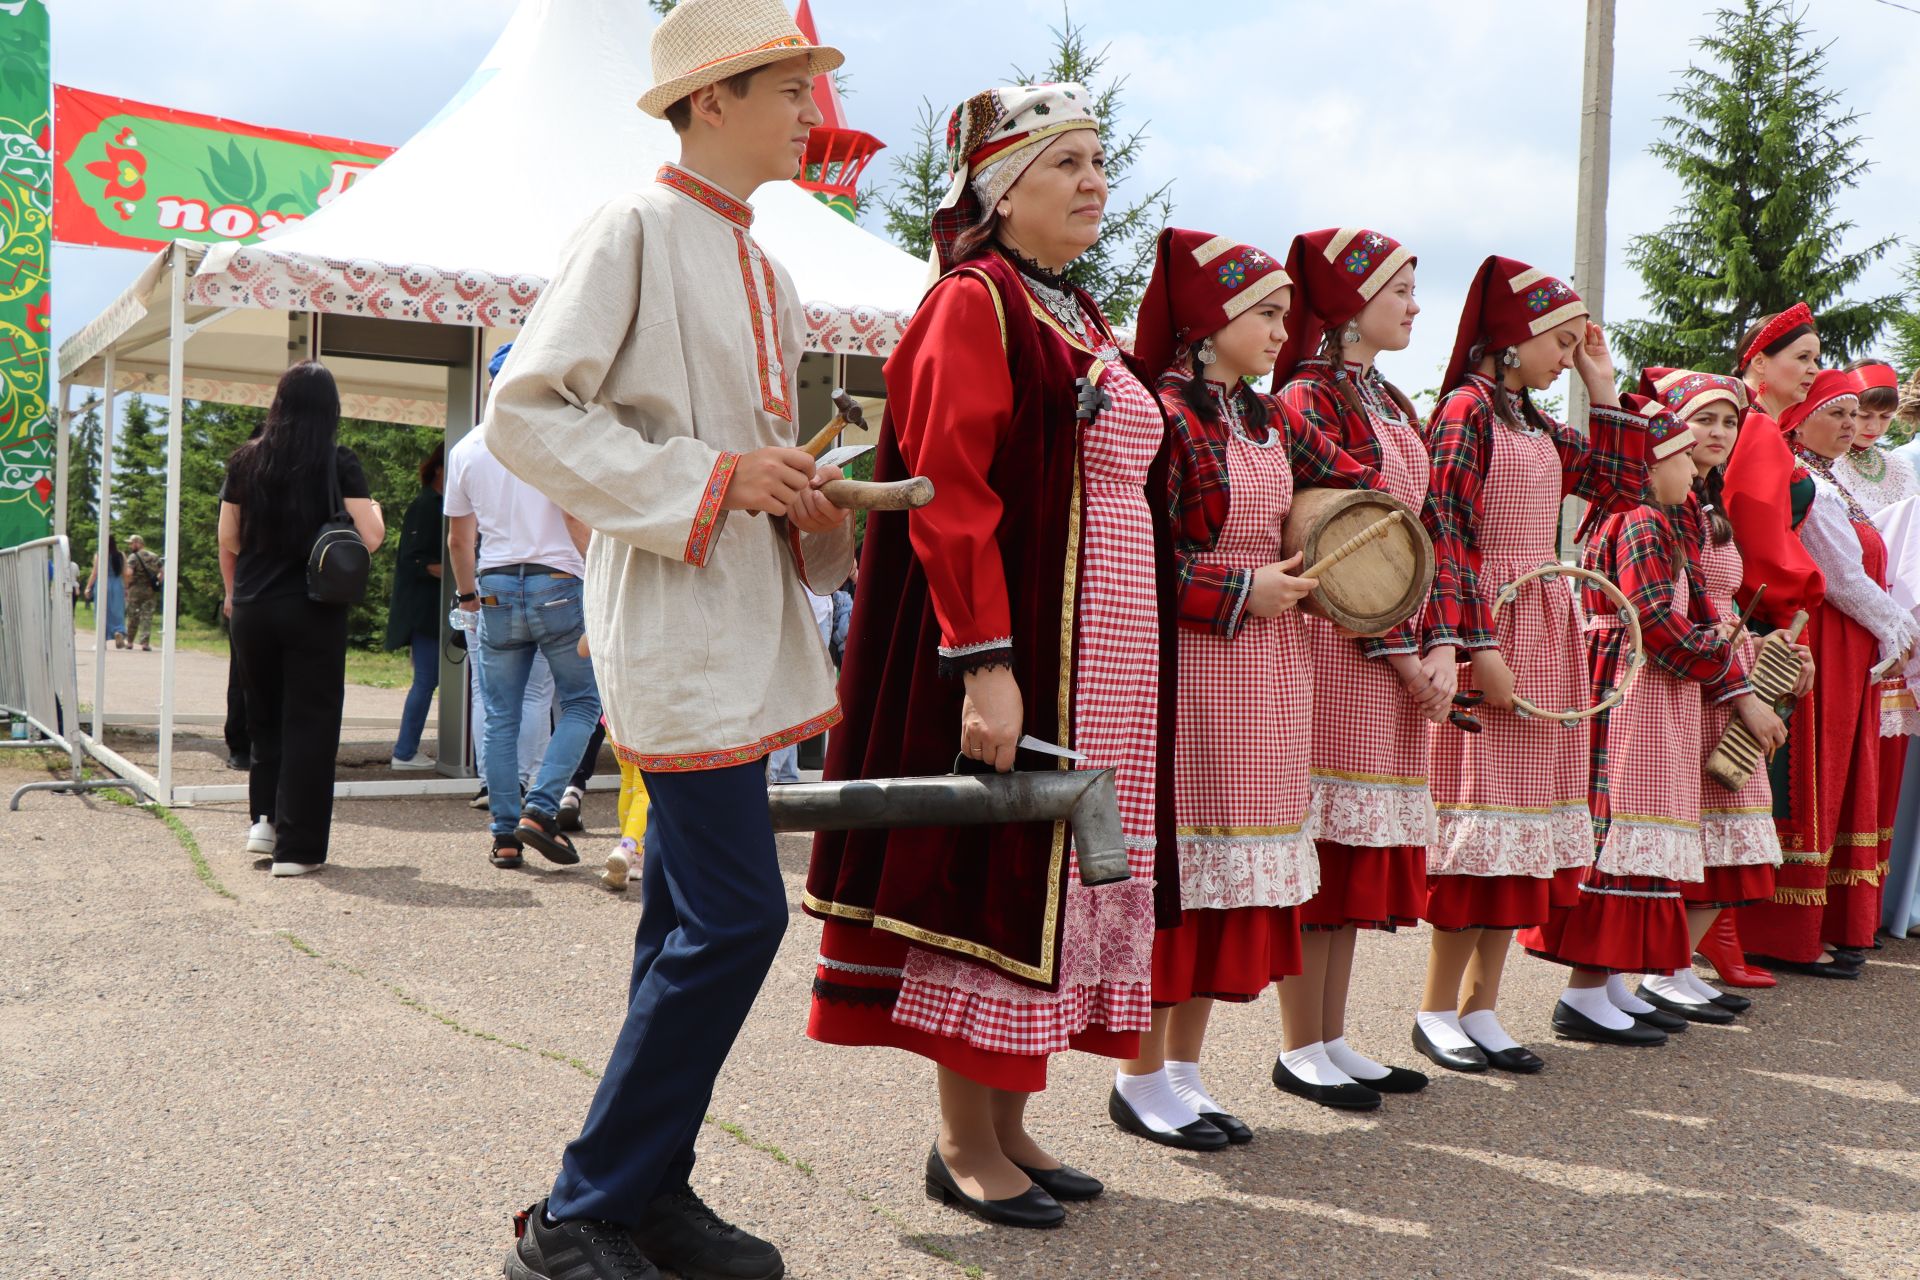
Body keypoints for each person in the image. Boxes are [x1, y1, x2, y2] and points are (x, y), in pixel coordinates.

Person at [487, 4, 853, 1276]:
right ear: (711, 99)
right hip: (672, 621)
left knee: (685, 922)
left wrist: (807, 492)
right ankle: (580, 1210)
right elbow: (524, 413)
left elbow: (745, 465)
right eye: (793, 88)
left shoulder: (774, 272)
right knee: (740, 920)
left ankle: (650, 1190)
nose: (815, 113)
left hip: (744, 622)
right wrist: (713, 480)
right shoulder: (632, 225)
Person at [804, 82, 1176, 1228]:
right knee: (1001, 869)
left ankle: (1010, 1123)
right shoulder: (974, 302)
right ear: (1000, 186)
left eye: (1099, 161)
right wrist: (987, 660)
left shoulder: (1075, 310)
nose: (1094, 182)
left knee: (1060, 882)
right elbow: (949, 492)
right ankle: (962, 1141)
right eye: (1066, 162)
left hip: (1105, 649)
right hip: (1029, 645)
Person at [1117, 226, 1380, 1140]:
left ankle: (1183, 1067)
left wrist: (1328, 546)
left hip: (1267, 668)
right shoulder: (1161, 413)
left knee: (1233, 879)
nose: (1283, 328)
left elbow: (1367, 481)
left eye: (1285, 312)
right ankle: (1140, 1073)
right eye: (1264, 314)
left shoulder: (1267, 418)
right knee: (1185, 874)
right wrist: (1242, 585)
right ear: (1207, 319)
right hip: (1195, 665)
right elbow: (1137, 559)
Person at [1414, 255, 1647, 1075]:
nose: (1567, 351)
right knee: (1481, 824)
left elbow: (1622, 482)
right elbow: (1443, 529)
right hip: (1494, 622)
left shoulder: (1534, 423)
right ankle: (1437, 1007)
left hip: (1544, 627)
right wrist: (1482, 647)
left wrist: (1605, 385)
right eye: (1557, 337)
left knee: (1521, 831)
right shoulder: (1464, 412)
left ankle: (1484, 1006)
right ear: (1510, 337)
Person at [1519, 398, 1782, 1042]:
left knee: (1648, 828)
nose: (1693, 472)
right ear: (1654, 461)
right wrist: (1722, 656)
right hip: (1636, 687)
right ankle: (1584, 993)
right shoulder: (1643, 520)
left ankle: (1608, 983)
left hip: (1656, 691)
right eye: (1681, 459)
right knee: (1625, 826)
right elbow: (1655, 623)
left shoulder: (1661, 518)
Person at [1275, 227, 1446, 1106]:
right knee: (1324, 848)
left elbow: (1429, 533)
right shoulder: (1311, 399)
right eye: (1399, 289)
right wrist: (1405, 652)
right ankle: (1302, 1043)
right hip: (1338, 648)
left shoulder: (1390, 403)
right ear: (1349, 301)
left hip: (1391, 651)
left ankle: (1332, 1037)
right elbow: (1346, 545)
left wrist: (1442, 643)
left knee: (1353, 853)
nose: (1416, 305)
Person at [1746, 370, 1918, 974]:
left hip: (1851, 645)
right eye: (1837, 413)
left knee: (1841, 775)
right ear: (1804, 415)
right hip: (1824, 638)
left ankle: (1833, 920)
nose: (1850, 426)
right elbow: (1842, 577)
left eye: (1856, 416)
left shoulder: (1829, 480)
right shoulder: (1808, 483)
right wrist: (1901, 629)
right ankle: (1786, 930)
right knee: (1810, 780)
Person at [1650, 368, 1804, 989]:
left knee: (1728, 829)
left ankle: (1677, 966)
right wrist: (1737, 683)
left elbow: (1715, 604)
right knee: (1680, 829)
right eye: (1702, 419)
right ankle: (1659, 970)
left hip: (1719, 669)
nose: (1717, 432)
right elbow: (1666, 615)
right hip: (1686, 679)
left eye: (1728, 421)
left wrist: (1766, 644)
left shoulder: (1706, 502)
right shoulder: (1659, 506)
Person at [218, 361, 385, 877]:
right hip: (313, 608)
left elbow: (229, 537)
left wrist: (234, 593)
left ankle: (264, 822)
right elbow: (370, 537)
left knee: (264, 717)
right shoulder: (338, 461)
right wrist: (371, 505)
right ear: (330, 409)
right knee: (310, 724)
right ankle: (298, 849)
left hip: (253, 606)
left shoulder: (246, 460)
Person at [447, 344, 601, 871]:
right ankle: (542, 806)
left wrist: (469, 598)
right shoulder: (552, 442)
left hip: (493, 588)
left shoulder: (467, 449)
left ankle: (504, 835)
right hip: (558, 582)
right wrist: (598, 577)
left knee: (500, 714)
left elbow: (459, 541)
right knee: (582, 702)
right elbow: (576, 521)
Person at [1716, 304, 1831, 982]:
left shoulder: (1764, 430)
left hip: (1753, 611)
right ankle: (1718, 934)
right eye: (1803, 356)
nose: (1814, 369)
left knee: (1737, 775)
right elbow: (1759, 535)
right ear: (1757, 362)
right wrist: (1799, 602)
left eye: (1818, 358)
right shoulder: (1757, 430)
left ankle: (1719, 931)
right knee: (1735, 774)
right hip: (1758, 616)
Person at [386, 443, 445, 770]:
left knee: (427, 680)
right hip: (425, 612)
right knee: (425, 680)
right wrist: (454, 573)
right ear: (437, 468)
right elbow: (412, 561)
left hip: (433, 610)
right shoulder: (426, 506)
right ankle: (404, 751)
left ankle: (406, 750)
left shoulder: (441, 504)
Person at [123, 534, 163, 652]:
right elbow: (162, 573)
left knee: (133, 615)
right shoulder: (154, 556)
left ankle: (129, 642)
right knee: (147, 616)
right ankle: (145, 643)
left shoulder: (133, 557)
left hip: (135, 590)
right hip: (150, 590)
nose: (130, 545)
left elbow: (129, 573)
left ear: (137, 543)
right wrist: (157, 583)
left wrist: (126, 586)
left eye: (131, 543)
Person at [85, 535, 126, 649]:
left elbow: (95, 573)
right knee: (117, 611)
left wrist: (88, 587)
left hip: (103, 583)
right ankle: (119, 631)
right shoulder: (121, 555)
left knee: (101, 611)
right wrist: (126, 588)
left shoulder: (100, 554)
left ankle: (101, 641)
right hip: (118, 585)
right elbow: (125, 573)